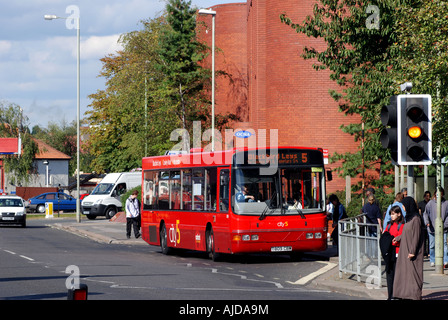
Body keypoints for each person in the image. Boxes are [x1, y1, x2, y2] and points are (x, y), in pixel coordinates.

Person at [393, 196, 424, 300]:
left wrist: (412, 251)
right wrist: (398, 238)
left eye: (404, 206)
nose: (403, 208)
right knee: (405, 272)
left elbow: (416, 236)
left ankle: (414, 294)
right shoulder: (409, 218)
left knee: (414, 273)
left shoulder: (416, 219)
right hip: (405, 248)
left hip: (412, 250)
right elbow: (407, 232)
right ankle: (405, 293)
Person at [382, 205, 404, 300]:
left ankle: (397, 295)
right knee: (389, 274)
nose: (391, 216)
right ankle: (390, 295)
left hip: (398, 253)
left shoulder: (402, 226)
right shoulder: (389, 225)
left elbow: (402, 238)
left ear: (399, 214)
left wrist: (394, 241)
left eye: (393, 214)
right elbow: (384, 236)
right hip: (389, 253)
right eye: (391, 214)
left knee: (397, 275)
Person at [423, 188, 448, 267]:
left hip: (443, 228)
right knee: (432, 245)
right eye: (437, 194)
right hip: (432, 229)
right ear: (435, 194)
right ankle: (433, 260)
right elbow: (425, 214)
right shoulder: (430, 203)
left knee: (444, 244)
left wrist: (446, 224)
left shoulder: (446, 203)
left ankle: (445, 261)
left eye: (441, 194)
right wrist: (427, 222)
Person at [418, 191, 431, 257]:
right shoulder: (421, 204)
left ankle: (429, 252)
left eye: (428, 196)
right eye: (426, 196)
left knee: (429, 238)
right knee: (423, 238)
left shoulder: (431, 203)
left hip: (430, 223)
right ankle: (424, 252)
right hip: (423, 223)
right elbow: (419, 213)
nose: (427, 197)